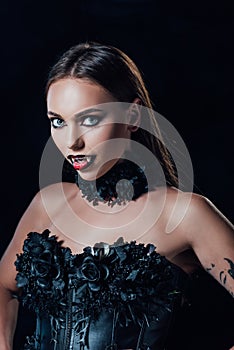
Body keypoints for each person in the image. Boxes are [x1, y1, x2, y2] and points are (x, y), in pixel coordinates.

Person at [0, 41, 233, 350]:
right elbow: (4, 287)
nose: (72, 142)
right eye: (58, 121)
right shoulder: (48, 203)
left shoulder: (185, 213)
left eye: (90, 119)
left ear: (133, 116)